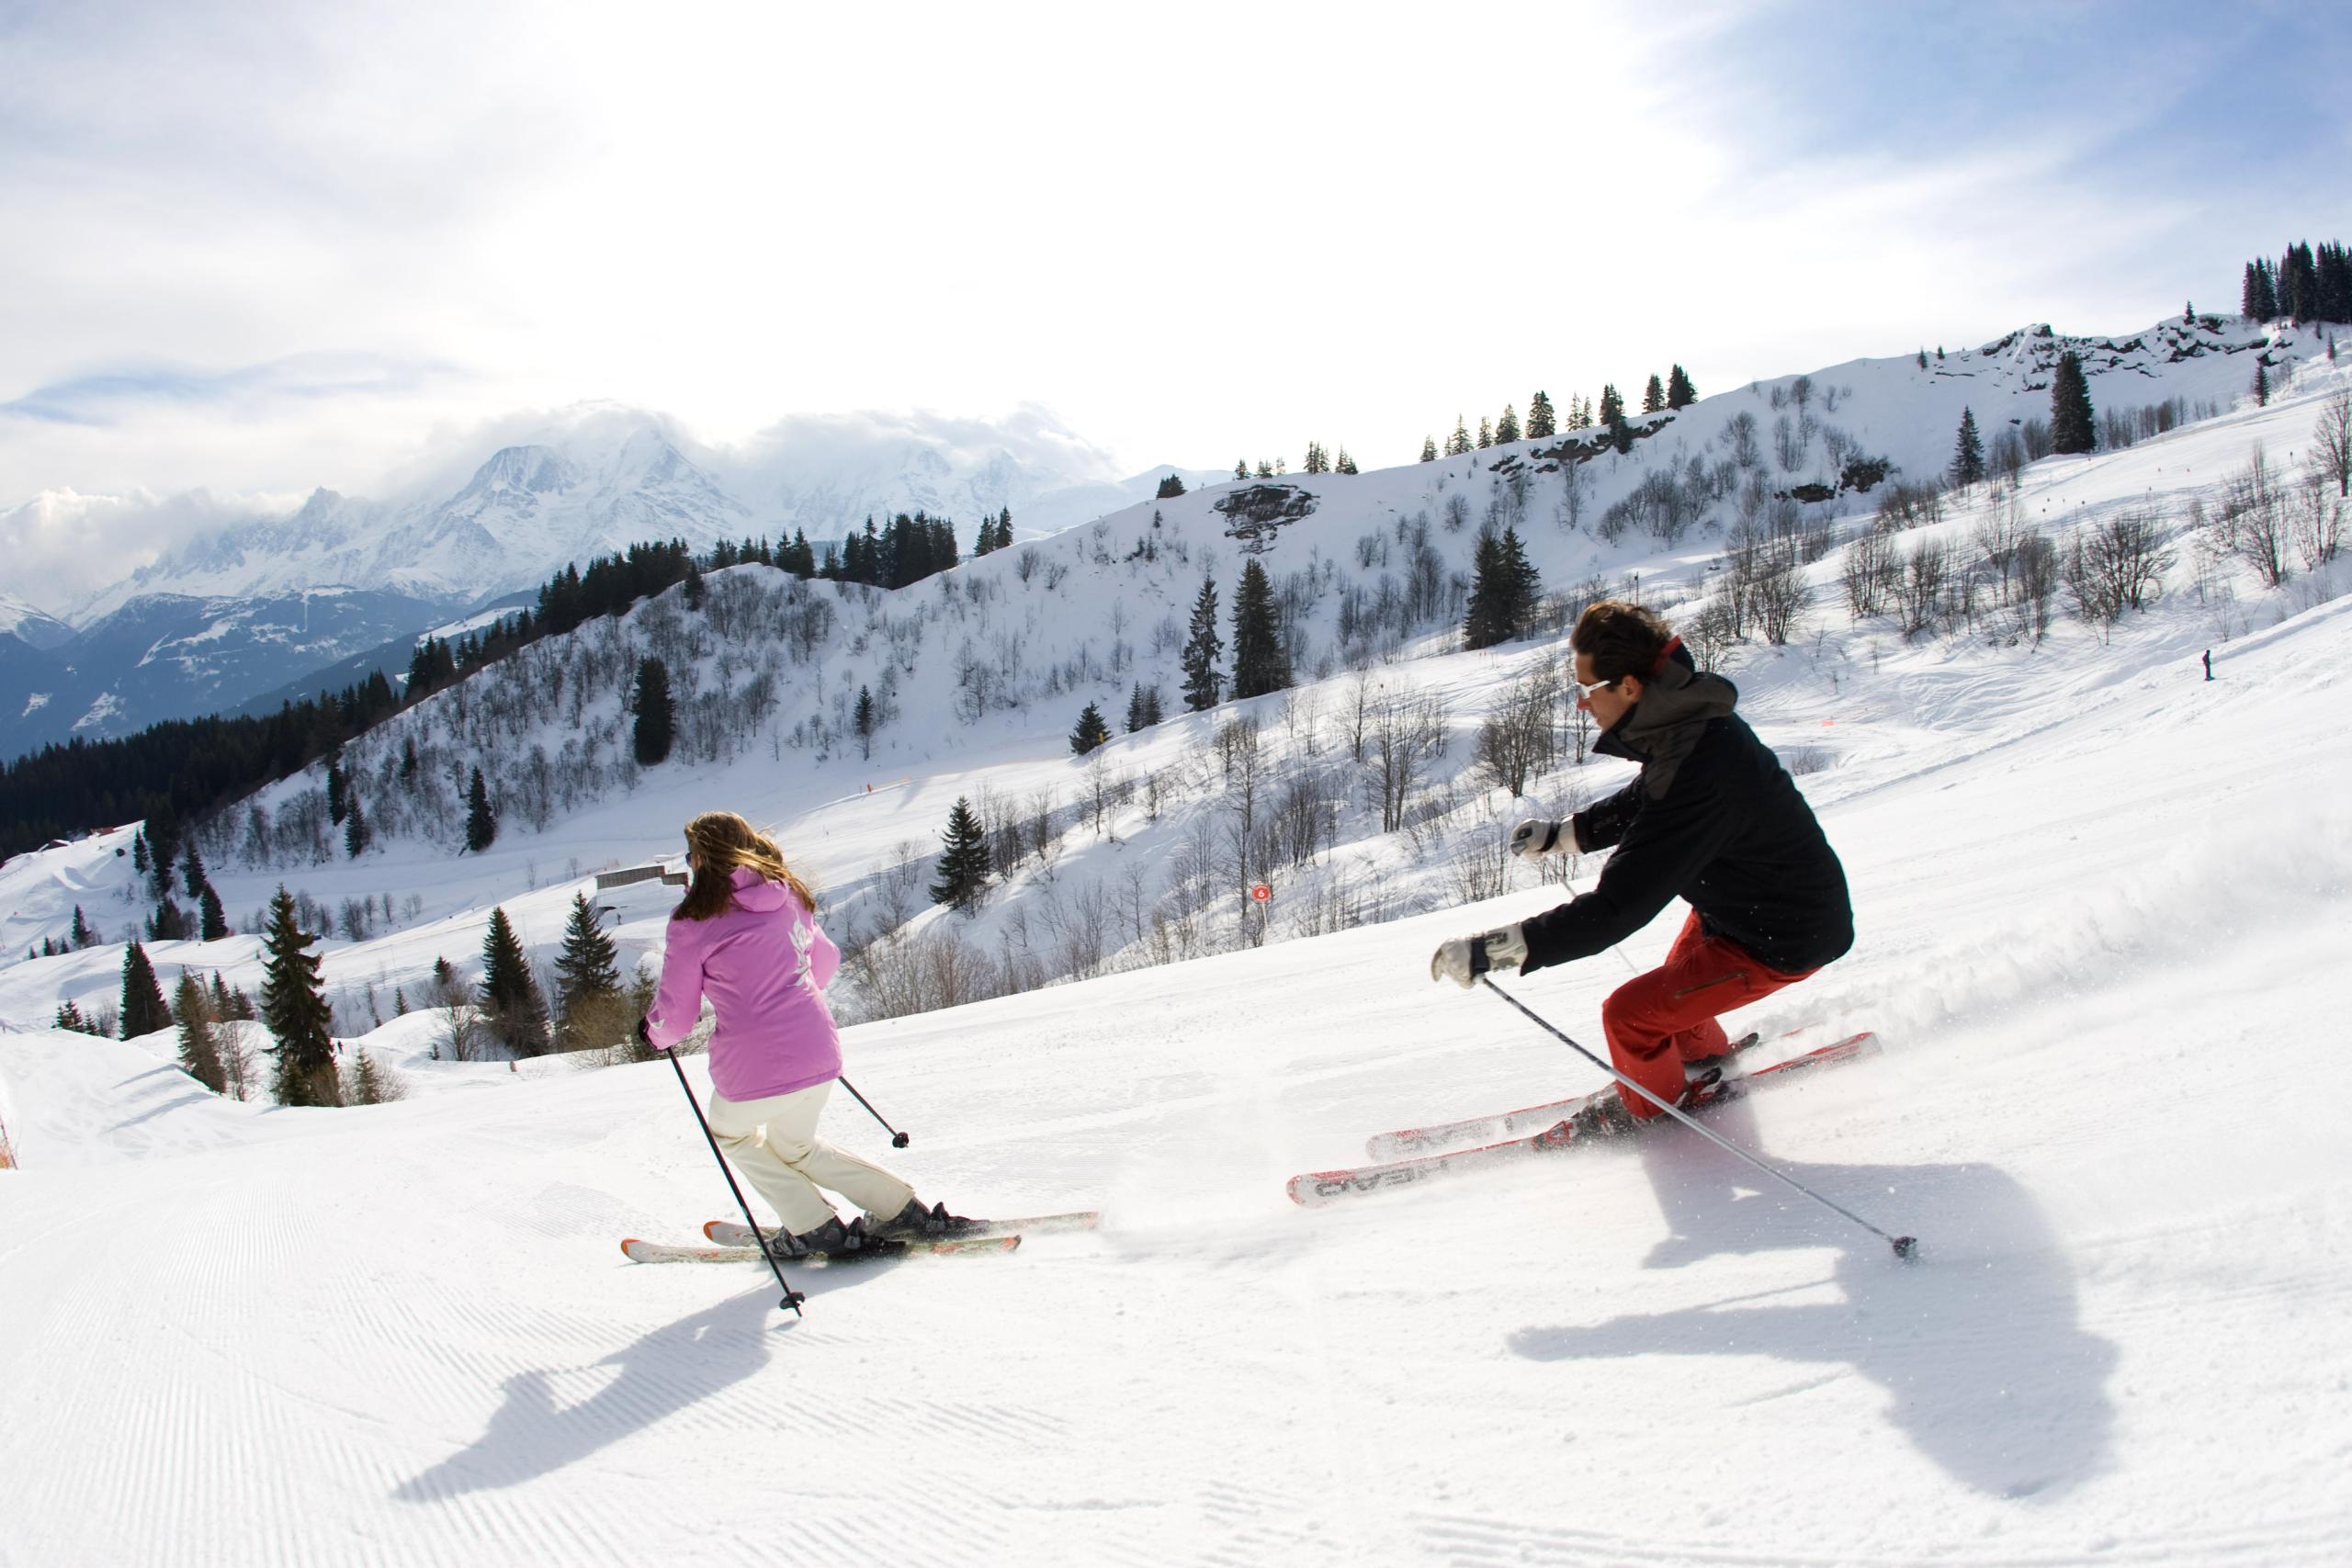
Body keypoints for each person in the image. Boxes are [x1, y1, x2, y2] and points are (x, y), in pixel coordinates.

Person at [1430, 601, 1853, 1134]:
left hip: (1783, 936)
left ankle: (1654, 1115)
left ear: (1629, 686)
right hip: (1746, 908)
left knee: (1630, 1017)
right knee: (1673, 995)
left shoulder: (1697, 772)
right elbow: (1647, 798)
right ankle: (1700, 1063)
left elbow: (1615, 910)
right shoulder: (1688, 725)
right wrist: (1567, 834)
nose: (1583, 705)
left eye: (1587, 689)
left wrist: (1494, 949)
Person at [640, 810, 972, 1258]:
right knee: (795, 1146)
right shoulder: (787, 895)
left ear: (701, 859)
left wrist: (651, 1032)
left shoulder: (694, 920)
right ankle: (899, 1208)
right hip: (818, 1050)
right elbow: (827, 960)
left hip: (752, 1069)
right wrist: (787, 999)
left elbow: (676, 1019)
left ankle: (812, 1226)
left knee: (730, 1135)